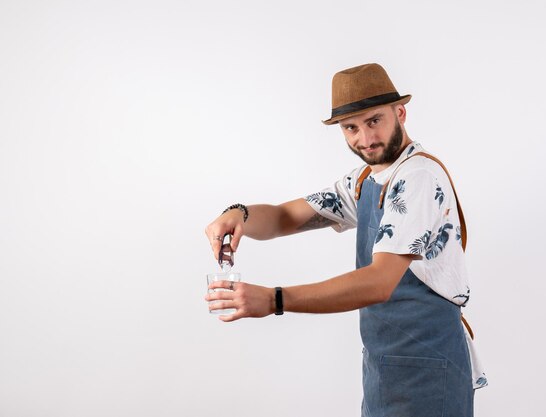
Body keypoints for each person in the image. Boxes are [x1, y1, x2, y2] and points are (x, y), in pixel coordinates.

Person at [205, 63, 487, 417]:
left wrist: (274, 300)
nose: (365, 139)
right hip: (386, 367)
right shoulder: (366, 179)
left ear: (400, 113)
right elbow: (284, 217)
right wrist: (239, 213)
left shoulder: (417, 178)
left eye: (374, 121)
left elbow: (378, 283)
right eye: (351, 127)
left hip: (429, 366)